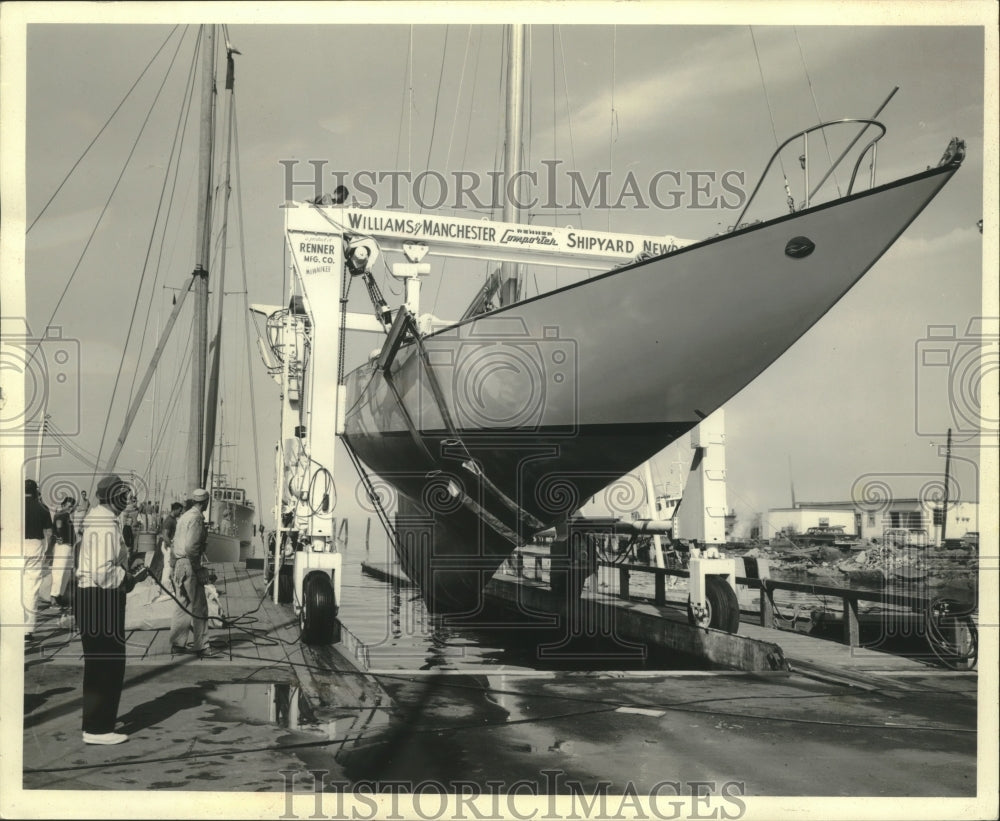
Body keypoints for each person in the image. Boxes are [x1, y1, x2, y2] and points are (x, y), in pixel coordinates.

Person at [76, 474, 146, 745]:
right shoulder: (105, 525)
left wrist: (124, 569)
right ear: (114, 497)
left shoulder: (99, 519)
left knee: (98, 664)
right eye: (124, 495)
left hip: (92, 598)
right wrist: (129, 578)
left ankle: (96, 724)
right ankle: (98, 730)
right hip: (101, 599)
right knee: (108, 664)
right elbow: (102, 572)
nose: (127, 499)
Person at [168, 488, 218, 658]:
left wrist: (173, 566)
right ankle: (202, 646)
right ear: (205, 502)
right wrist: (198, 568)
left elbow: (175, 542)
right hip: (189, 564)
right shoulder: (196, 519)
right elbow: (191, 547)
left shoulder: (184, 517)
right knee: (199, 606)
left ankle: (177, 644)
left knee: (182, 604)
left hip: (179, 564)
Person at [23, 479, 53, 642]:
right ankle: (27, 631)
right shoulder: (42, 508)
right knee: (31, 588)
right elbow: (49, 533)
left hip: (14, 547)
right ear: (36, 491)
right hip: (35, 546)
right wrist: (48, 551)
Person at [150, 502, 183, 594]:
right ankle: (166, 587)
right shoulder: (169, 521)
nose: (180, 512)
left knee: (167, 567)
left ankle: (165, 586)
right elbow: (165, 535)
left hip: (169, 545)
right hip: (167, 546)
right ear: (175, 509)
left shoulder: (173, 519)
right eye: (180, 511)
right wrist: (171, 547)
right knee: (167, 567)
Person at [50, 496, 76, 609]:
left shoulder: (67, 516)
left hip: (68, 546)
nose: (70, 508)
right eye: (69, 505)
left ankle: (59, 596)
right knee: (59, 571)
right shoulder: (61, 514)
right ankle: (54, 597)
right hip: (63, 546)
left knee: (66, 573)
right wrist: (59, 536)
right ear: (63, 505)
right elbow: (58, 527)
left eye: (72, 506)